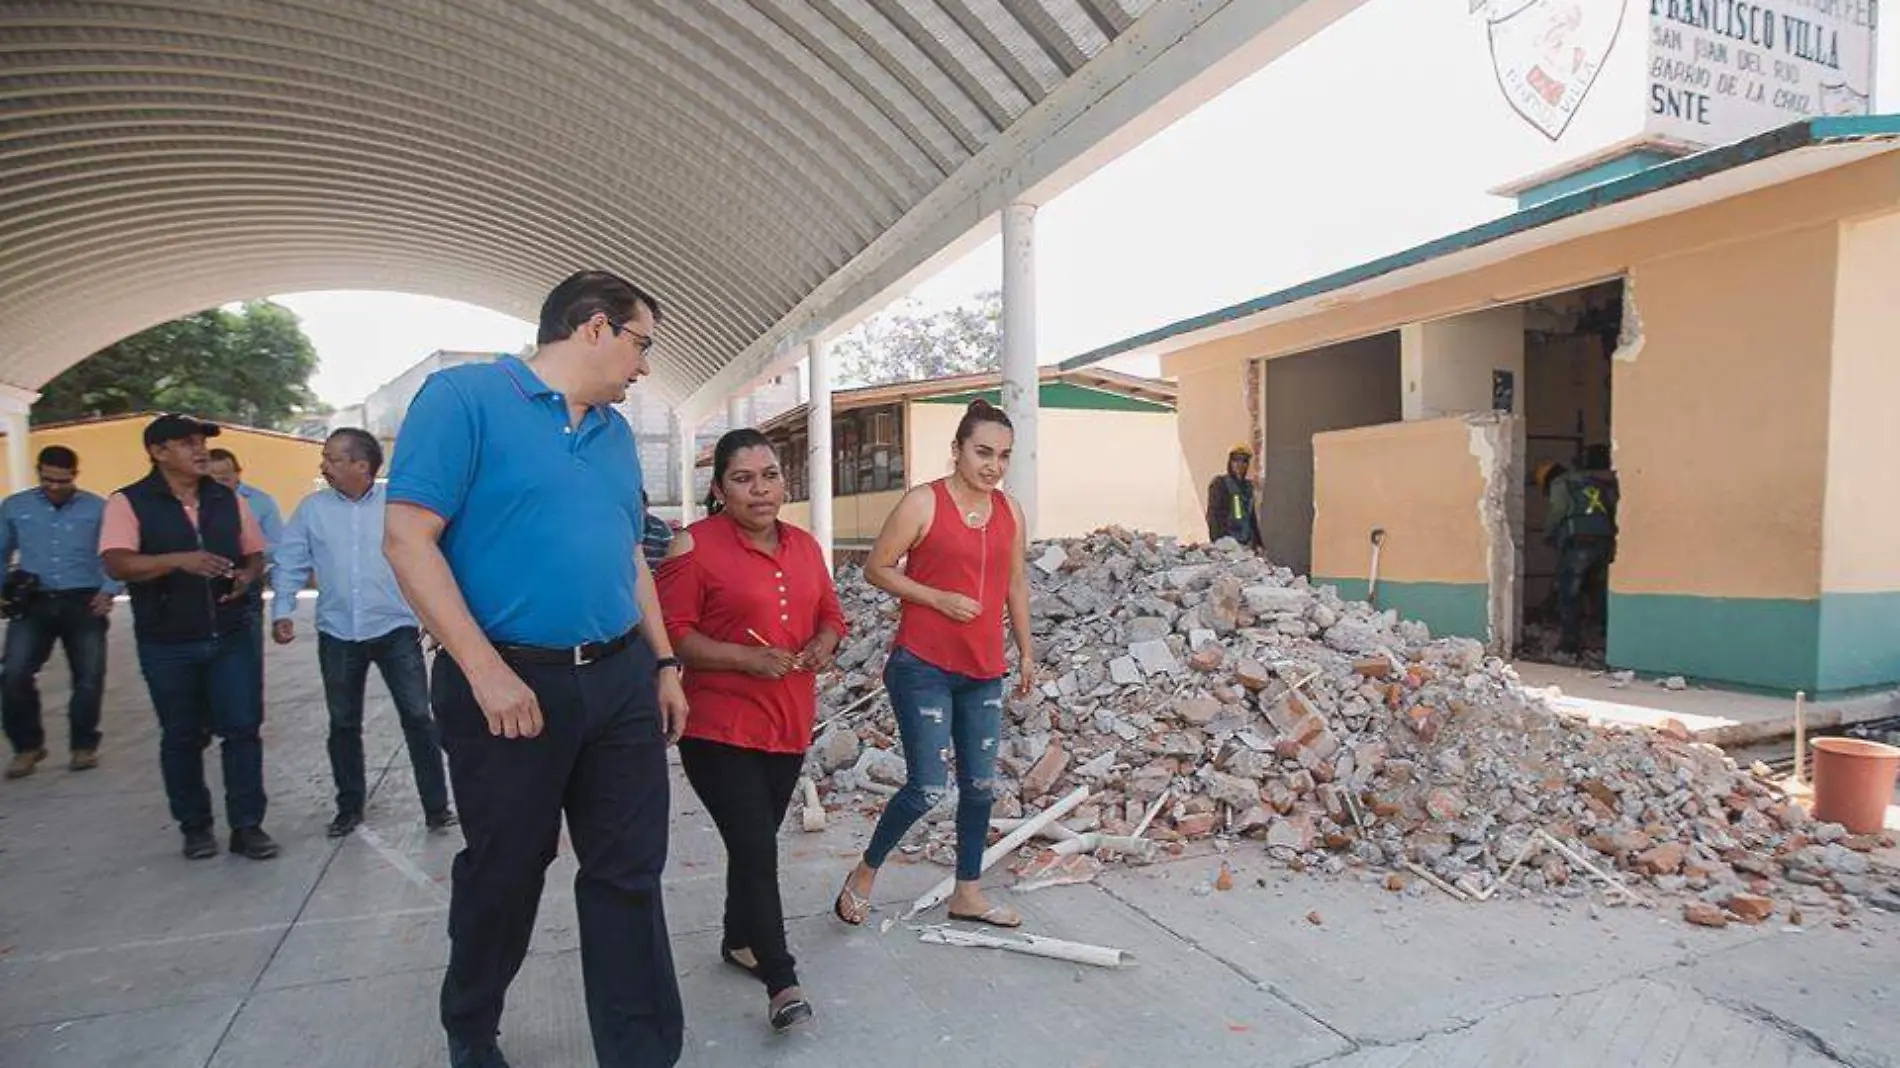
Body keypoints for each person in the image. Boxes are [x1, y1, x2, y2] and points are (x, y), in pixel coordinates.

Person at [384, 270, 690, 1068]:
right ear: (593, 328)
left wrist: (663, 662)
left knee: (628, 875)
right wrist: (481, 669)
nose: (646, 366)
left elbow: (629, 557)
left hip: (619, 678)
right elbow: (408, 540)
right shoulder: (464, 400)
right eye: (642, 343)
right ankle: (471, 1024)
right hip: (509, 687)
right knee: (508, 870)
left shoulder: (615, 435)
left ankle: (643, 1053)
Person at [657, 428, 844, 1033]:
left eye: (769, 475)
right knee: (757, 845)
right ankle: (780, 978)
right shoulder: (694, 545)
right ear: (718, 489)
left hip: (787, 722)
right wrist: (745, 657)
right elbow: (671, 633)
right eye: (743, 478)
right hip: (717, 725)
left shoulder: (806, 546)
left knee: (753, 839)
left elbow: (831, 614)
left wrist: (822, 642)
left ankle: (739, 938)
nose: (760, 489)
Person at [834, 399, 1033, 930]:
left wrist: (1027, 651)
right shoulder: (923, 503)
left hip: (984, 669)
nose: (993, 465)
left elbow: (1015, 584)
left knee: (981, 786)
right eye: (983, 452)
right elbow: (876, 569)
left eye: (1003, 456)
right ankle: (865, 872)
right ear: (957, 450)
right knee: (926, 785)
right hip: (922, 664)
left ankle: (967, 892)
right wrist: (936, 598)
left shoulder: (1010, 511)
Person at [99, 415, 276, 860]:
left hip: (231, 633)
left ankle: (247, 825)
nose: (199, 450)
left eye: (201, 442)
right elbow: (117, 563)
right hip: (168, 641)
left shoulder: (227, 499)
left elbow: (255, 555)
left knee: (242, 730)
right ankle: (195, 826)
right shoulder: (129, 502)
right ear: (158, 452)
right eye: (186, 443)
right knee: (181, 735)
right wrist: (179, 560)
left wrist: (246, 577)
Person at [271, 428, 455, 838]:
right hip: (338, 632)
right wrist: (281, 609)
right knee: (343, 723)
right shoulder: (312, 510)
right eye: (325, 457)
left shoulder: (397, 506)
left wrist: (440, 617)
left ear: (362, 465)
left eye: (333, 458)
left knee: (418, 718)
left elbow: (433, 557)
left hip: (395, 629)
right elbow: (290, 560)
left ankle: (437, 806)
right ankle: (349, 807)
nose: (324, 465)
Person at [2, 446, 119, 778]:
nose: (53, 486)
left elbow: (114, 552)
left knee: (88, 676)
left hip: (83, 600)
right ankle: (27, 746)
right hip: (33, 600)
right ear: (38, 471)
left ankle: (83, 745)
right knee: (14, 673)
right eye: (47, 479)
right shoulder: (15, 507)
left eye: (61, 480)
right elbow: (1, 550)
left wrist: (109, 590)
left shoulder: (97, 508)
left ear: (74, 475)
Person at [208, 448, 280, 696]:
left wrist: (249, 548)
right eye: (212, 477)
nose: (219, 483)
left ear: (238, 474)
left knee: (246, 661)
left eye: (225, 477)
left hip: (246, 585)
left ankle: (246, 722)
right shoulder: (192, 503)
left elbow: (278, 546)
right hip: (203, 589)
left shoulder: (260, 502)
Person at [1546, 444, 1619, 655]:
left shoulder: (1563, 483)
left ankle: (1570, 646)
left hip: (1578, 542)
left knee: (1569, 593)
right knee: (1599, 592)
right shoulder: (1605, 483)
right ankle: (1605, 642)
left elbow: (1558, 510)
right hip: (1605, 541)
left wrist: (1549, 533)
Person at [1205, 442, 1264, 550]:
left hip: (1245, 545)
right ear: (1230, 462)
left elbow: (1251, 518)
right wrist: (1219, 543)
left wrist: (1259, 544)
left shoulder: (1248, 487)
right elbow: (1213, 516)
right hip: (1227, 544)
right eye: (1236, 460)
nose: (1240, 464)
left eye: (1244, 461)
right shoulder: (1220, 484)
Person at [639, 490, 672, 569]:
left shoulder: (660, 528)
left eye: (638, 507)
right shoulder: (620, 529)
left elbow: (672, 560)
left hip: (655, 579)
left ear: (646, 505)